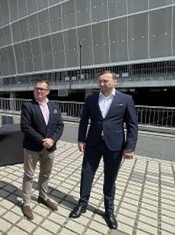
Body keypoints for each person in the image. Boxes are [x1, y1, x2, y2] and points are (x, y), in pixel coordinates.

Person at [69, 70, 138, 229]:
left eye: (106, 81)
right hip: (93, 143)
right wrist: (81, 138)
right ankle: (82, 203)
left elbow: (132, 125)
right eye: (100, 81)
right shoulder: (91, 99)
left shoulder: (125, 99)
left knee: (110, 178)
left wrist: (129, 147)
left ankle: (109, 210)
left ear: (115, 82)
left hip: (114, 146)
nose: (102, 84)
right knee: (86, 173)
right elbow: (84, 120)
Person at [20, 80, 64, 220]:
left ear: (48, 91)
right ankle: (26, 203)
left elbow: (60, 126)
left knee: (45, 173)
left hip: (50, 147)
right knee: (29, 175)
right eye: (36, 89)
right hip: (32, 147)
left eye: (42, 89)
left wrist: (53, 140)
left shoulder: (54, 106)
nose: (39, 91)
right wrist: (42, 140)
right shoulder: (28, 106)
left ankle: (43, 197)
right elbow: (25, 127)